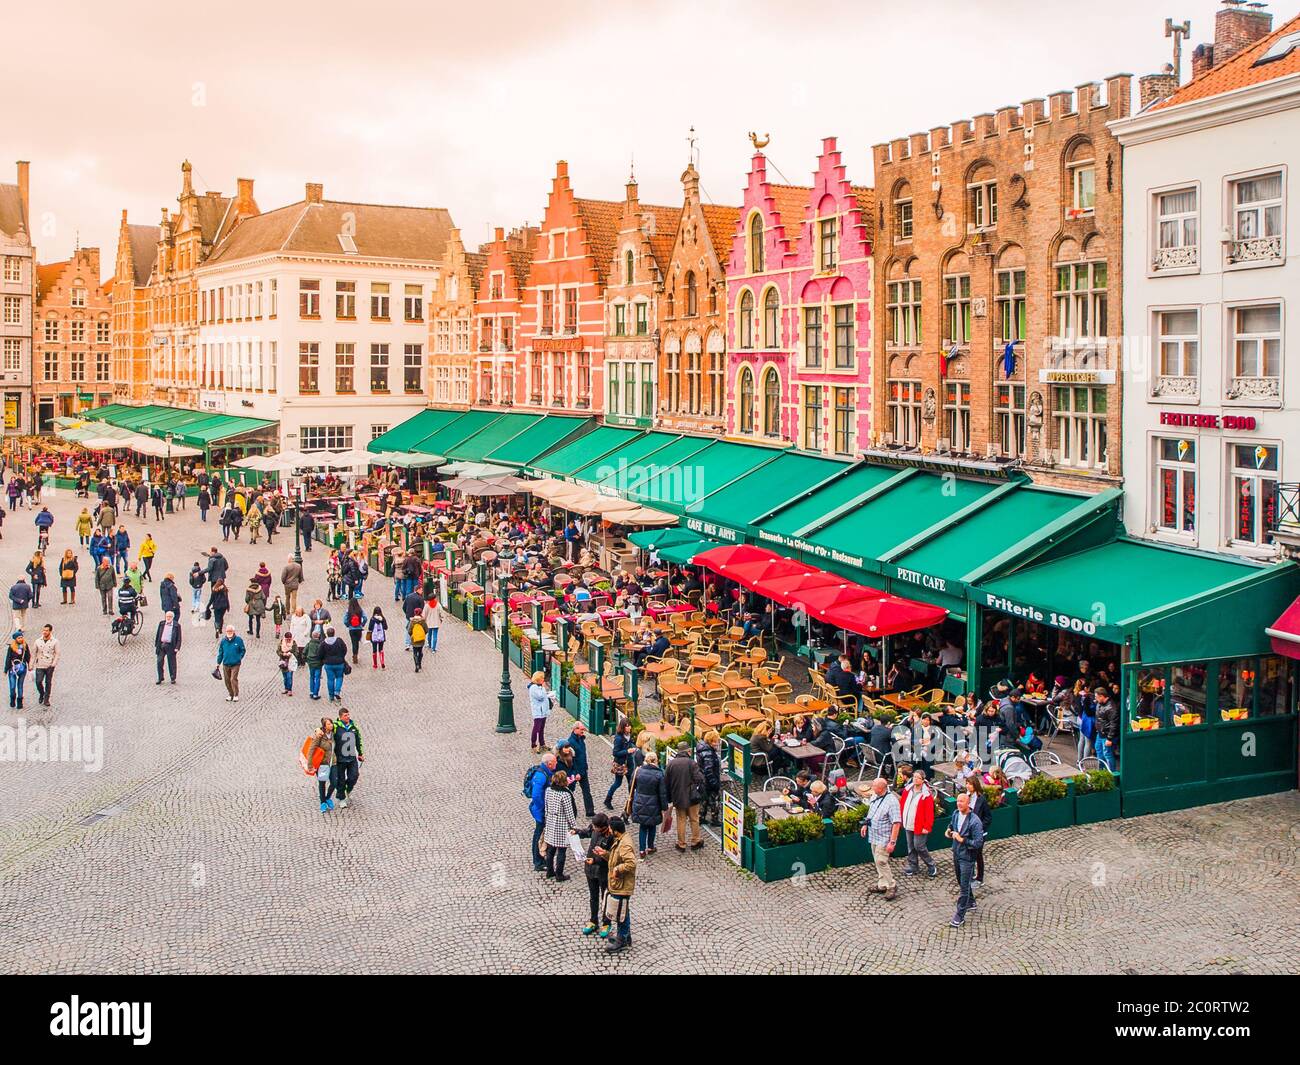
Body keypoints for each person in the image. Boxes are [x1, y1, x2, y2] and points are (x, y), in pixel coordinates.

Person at [946, 791, 985, 927]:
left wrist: (962, 840)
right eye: (958, 801)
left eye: (961, 801)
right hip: (956, 853)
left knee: (964, 886)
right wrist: (948, 831)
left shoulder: (975, 821)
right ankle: (971, 901)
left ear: (968, 803)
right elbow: (951, 826)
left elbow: (978, 843)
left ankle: (959, 915)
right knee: (961, 880)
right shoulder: (956, 814)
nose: (959, 804)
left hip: (967, 858)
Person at [859, 776, 902, 901]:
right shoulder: (875, 796)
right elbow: (871, 812)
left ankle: (891, 885)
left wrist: (892, 842)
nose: (872, 788)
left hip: (884, 838)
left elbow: (896, 823)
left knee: (881, 861)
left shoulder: (892, 802)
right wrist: (866, 825)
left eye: (875, 786)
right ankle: (882, 884)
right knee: (877, 860)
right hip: (874, 835)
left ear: (882, 788)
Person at [575, 812, 613, 936]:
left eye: (596, 827)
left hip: (603, 871)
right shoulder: (594, 828)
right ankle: (593, 921)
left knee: (605, 897)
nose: (594, 829)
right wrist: (577, 832)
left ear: (602, 827)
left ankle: (606, 923)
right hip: (590, 869)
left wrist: (596, 860)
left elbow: (611, 857)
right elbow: (587, 832)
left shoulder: (611, 837)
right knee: (593, 897)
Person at [603, 815, 637, 953]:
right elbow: (615, 858)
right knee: (623, 910)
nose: (609, 831)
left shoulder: (624, 844)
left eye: (610, 829)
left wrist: (617, 869)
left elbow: (631, 863)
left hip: (622, 885)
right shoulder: (620, 839)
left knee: (620, 913)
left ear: (616, 830)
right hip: (618, 884)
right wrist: (605, 854)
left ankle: (621, 939)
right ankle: (625, 936)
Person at [665, 741, 705, 851]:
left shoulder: (671, 764)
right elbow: (700, 778)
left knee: (681, 820)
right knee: (694, 819)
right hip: (692, 797)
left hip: (678, 797)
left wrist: (669, 798)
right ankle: (695, 841)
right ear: (687, 751)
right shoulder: (692, 763)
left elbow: (666, 783)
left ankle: (681, 844)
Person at [628, 749, 668, 858]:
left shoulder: (638, 771)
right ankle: (650, 847)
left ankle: (641, 850)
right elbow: (662, 793)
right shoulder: (659, 774)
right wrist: (664, 807)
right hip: (654, 803)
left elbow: (631, 786)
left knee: (643, 826)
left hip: (639, 801)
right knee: (652, 826)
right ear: (656, 761)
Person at [900, 768, 938, 878]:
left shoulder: (926, 795)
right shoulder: (908, 790)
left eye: (918, 778)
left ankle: (931, 865)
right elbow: (903, 804)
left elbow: (929, 813)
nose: (916, 779)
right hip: (908, 823)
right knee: (911, 846)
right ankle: (913, 866)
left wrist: (927, 826)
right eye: (914, 777)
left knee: (919, 846)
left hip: (920, 825)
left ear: (922, 780)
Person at [543, 769, 578, 881]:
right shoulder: (565, 794)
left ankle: (549, 871)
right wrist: (574, 826)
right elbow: (569, 812)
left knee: (551, 849)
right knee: (561, 851)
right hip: (561, 825)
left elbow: (546, 806)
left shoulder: (549, 790)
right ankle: (559, 874)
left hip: (551, 822)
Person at [528, 752, 557, 871]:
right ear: (549, 764)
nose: (556, 764)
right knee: (539, 835)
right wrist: (543, 809)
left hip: (540, 809)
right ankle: (538, 861)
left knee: (540, 834)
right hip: (540, 811)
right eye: (554, 762)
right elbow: (536, 795)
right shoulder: (541, 776)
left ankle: (540, 857)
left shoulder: (545, 773)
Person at [332, 707, 364, 808]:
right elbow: (325, 730)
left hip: (352, 757)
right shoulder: (336, 727)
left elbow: (359, 740)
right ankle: (341, 798)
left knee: (354, 776)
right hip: (340, 758)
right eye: (345, 715)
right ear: (340, 717)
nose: (347, 717)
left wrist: (360, 753)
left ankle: (347, 790)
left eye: (348, 715)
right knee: (340, 779)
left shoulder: (353, 727)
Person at [301, 717, 335, 812]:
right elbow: (311, 749)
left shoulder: (334, 733)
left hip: (333, 762)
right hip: (322, 764)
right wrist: (310, 764)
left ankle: (327, 798)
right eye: (328, 724)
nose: (331, 725)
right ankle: (323, 802)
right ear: (324, 726)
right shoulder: (319, 736)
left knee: (334, 782)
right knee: (322, 782)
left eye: (331, 723)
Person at [965, 775, 992, 888]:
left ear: (975, 785)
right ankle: (970, 876)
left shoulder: (981, 799)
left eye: (970, 784)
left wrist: (980, 827)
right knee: (968, 855)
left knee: (977, 855)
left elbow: (988, 817)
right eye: (967, 783)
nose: (967, 786)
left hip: (978, 833)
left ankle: (980, 878)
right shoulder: (966, 796)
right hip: (967, 832)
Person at [604, 718, 633, 810]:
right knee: (617, 783)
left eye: (629, 725)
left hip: (629, 763)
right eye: (627, 726)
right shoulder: (619, 738)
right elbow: (615, 753)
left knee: (631, 784)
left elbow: (630, 744)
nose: (629, 727)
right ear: (623, 727)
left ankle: (631, 803)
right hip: (620, 764)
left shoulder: (629, 735)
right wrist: (627, 751)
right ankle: (608, 799)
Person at [216, 624, 246, 702]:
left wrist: (239, 658)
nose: (229, 632)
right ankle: (230, 694)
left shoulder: (238, 640)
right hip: (226, 663)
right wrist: (218, 662)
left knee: (233, 679)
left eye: (231, 631)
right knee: (227, 680)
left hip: (235, 664)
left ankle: (236, 694)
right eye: (228, 631)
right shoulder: (223, 641)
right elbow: (221, 652)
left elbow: (243, 650)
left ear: (233, 631)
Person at [31, 623, 59, 707]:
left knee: (48, 682)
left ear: (50, 631)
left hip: (49, 664)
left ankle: (46, 699)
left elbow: (57, 653)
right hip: (40, 664)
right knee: (38, 681)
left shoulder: (55, 641)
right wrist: (31, 664)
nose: (44, 632)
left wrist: (54, 663)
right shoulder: (38, 641)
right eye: (44, 630)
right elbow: (33, 653)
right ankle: (42, 693)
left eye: (46, 631)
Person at [1094, 686, 1119, 771]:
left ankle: (1111, 773)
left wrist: (1109, 738)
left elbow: (1114, 724)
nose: (1095, 699)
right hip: (1100, 732)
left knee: (1107, 754)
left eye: (1096, 697)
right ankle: (1101, 771)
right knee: (1099, 750)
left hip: (1107, 735)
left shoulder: (1111, 707)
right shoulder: (1099, 703)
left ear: (1102, 696)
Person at [320, 626, 348, 702]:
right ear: (334, 633)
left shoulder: (323, 643)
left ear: (327, 634)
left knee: (330, 679)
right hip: (339, 663)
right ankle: (337, 691)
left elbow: (320, 653)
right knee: (339, 677)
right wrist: (342, 656)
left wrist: (323, 660)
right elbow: (345, 649)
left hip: (328, 664)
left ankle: (331, 696)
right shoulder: (339, 641)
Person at [154, 610, 182, 685]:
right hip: (161, 645)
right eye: (167, 616)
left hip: (171, 646)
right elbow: (158, 635)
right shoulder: (161, 624)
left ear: (172, 617)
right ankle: (160, 677)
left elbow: (179, 638)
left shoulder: (176, 626)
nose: (168, 618)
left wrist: (177, 647)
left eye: (170, 617)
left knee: (171, 662)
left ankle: (172, 677)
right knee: (159, 661)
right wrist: (157, 645)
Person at [527, 671, 551, 752]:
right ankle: (533, 745)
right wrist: (544, 688)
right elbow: (540, 696)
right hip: (538, 712)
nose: (543, 679)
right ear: (538, 679)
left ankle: (542, 744)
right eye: (542, 678)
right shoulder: (533, 687)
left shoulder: (539, 687)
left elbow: (543, 696)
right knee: (536, 728)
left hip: (543, 711)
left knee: (541, 729)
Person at [6, 630, 31, 709]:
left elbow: (28, 656)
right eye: (19, 638)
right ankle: (12, 699)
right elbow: (8, 658)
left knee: (20, 685)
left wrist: (30, 665)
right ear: (15, 639)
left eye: (21, 637)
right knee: (12, 686)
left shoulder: (25, 646)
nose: (21, 639)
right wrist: (5, 669)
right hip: (12, 669)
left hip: (22, 669)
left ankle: (20, 701)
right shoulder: (11, 647)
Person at [342, 597, 367, 664]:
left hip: (352, 629)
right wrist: (362, 624)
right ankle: (356, 654)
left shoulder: (348, 610)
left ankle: (354, 655)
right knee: (357, 642)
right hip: (359, 628)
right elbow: (365, 618)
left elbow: (345, 620)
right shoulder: (360, 610)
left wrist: (348, 625)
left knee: (353, 642)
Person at [407, 607, 429, 673]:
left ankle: (416, 664)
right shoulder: (422, 621)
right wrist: (422, 634)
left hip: (414, 639)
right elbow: (426, 629)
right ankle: (419, 664)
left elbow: (409, 630)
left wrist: (413, 635)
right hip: (421, 639)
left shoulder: (412, 621)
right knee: (420, 652)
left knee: (415, 652)